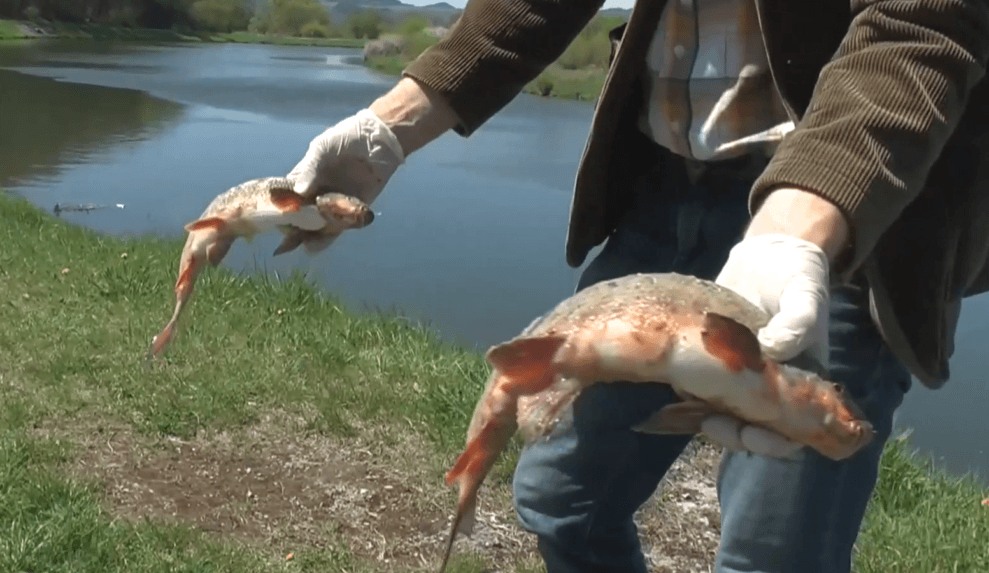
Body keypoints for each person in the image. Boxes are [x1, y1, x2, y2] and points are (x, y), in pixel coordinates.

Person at [285, 1, 989, 571]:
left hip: (835, 216)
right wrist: (388, 126)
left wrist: (795, 227)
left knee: (775, 556)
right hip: (662, 192)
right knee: (562, 501)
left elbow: (921, 21)